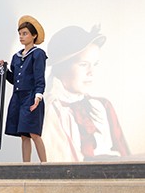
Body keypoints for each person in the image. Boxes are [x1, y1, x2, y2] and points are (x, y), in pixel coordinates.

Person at [43, 25, 129, 162]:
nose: (91, 72)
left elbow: (126, 162)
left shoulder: (103, 106)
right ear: (61, 67)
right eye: (83, 64)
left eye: (95, 64)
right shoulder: (47, 111)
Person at [0, 15, 48, 163]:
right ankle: (26, 166)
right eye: (20, 34)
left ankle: (46, 165)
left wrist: (38, 97)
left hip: (31, 96)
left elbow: (40, 78)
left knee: (34, 133)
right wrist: (4, 70)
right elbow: (15, 80)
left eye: (25, 33)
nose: (21, 36)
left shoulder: (38, 54)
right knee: (24, 135)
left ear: (34, 35)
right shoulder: (16, 57)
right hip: (18, 98)